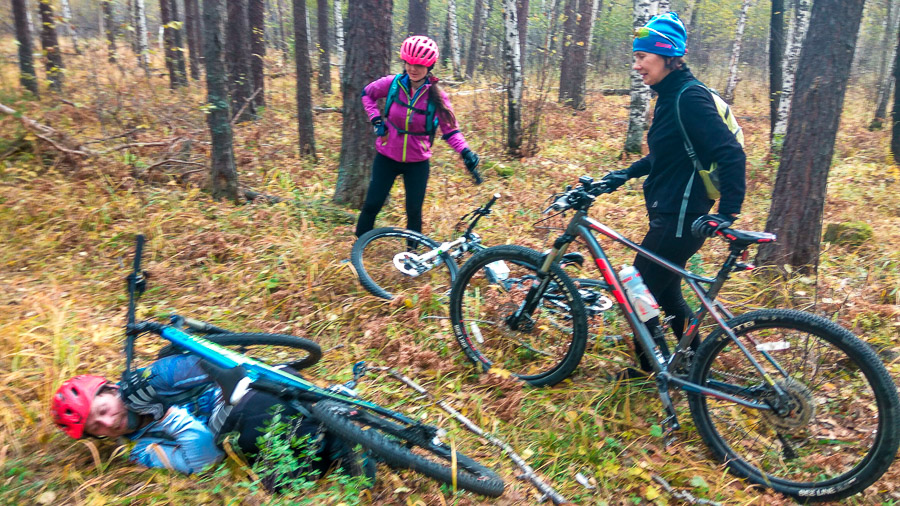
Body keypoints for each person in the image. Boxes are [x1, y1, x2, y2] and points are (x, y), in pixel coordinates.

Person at [600, 12, 746, 373]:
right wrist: (625, 174)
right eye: (635, 57)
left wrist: (728, 213)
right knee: (665, 292)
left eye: (642, 58)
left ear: (667, 57)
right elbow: (668, 153)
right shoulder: (670, 95)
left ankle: (652, 367)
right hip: (673, 213)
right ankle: (691, 366)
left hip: (682, 218)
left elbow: (730, 152)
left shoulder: (687, 98)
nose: (636, 66)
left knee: (635, 288)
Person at [51, 354, 373, 485]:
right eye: (97, 428)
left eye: (103, 411)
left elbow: (213, 362)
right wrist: (169, 418)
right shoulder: (142, 449)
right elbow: (205, 458)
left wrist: (155, 380)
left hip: (256, 389)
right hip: (240, 425)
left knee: (259, 419)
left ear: (109, 388)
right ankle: (341, 433)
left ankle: (341, 437)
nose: (107, 424)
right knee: (276, 481)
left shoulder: (150, 380)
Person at [355, 35, 482, 239]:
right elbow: (366, 94)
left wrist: (465, 151)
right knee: (372, 204)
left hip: (417, 162)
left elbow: (450, 130)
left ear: (429, 66)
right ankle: (358, 248)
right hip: (386, 157)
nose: (413, 69)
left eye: (419, 65)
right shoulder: (392, 84)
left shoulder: (437, 96)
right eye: (409, 63)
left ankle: (411, 257)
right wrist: (376, 119)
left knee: (414, 211)